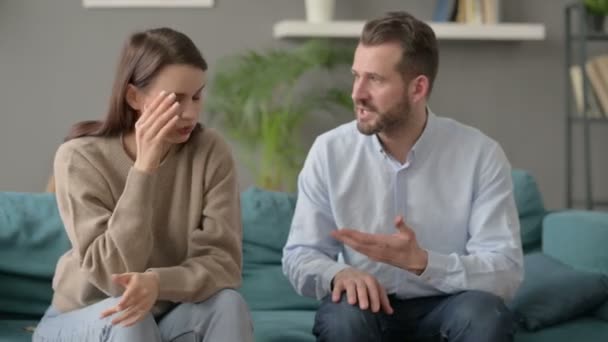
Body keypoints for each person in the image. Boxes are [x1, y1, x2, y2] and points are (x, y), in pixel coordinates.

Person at [282, 11, 523, 342]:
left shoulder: (480, 155)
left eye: (375, 80)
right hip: (364, 307)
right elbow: (300, 254)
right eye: (356, 76)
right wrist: (339, 273)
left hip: (450, 304)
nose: (357, 93)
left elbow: (505, 272)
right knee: (343, 321)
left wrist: (423, 263)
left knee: (484, 315)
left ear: (417, 88)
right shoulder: (329, 152)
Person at [33, 27, 253, 342]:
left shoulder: (210, 151)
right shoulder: (79, 157)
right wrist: (144, 169)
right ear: (134, 96)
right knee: (129, 318)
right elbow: (113, 277)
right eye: (175, 99)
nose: (190, 112)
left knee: (228, 304)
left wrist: (157, 283)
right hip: (84, 316)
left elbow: (224, 264)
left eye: (197, 96)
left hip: (167, 316)